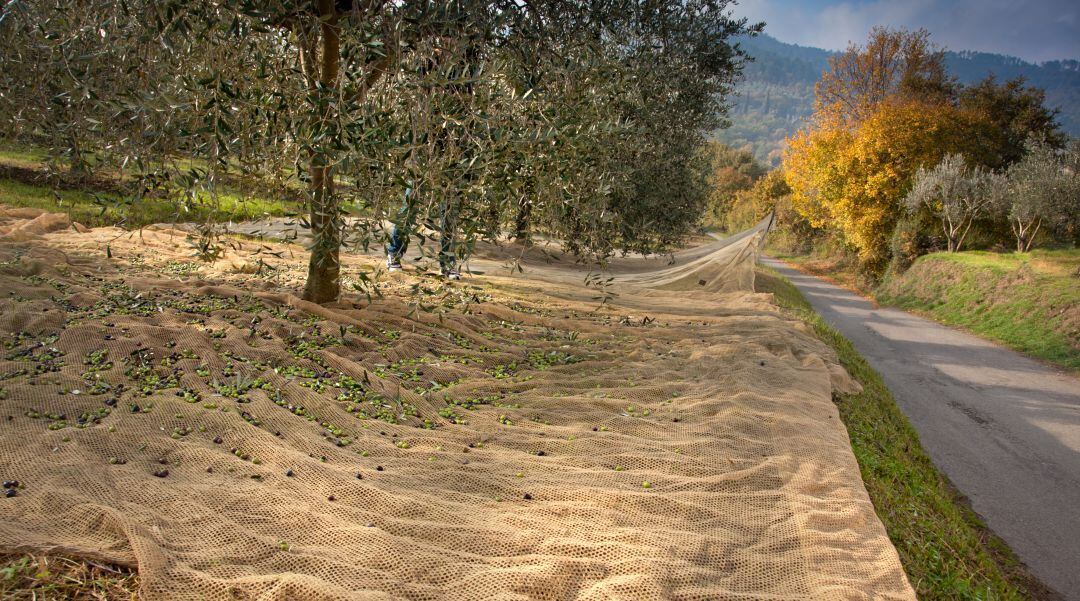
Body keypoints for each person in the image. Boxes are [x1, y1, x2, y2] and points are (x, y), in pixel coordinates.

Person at [386, 185, 461, 279]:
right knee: (409, 210)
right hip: (419, 174)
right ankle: (394, 254)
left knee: (449, 215)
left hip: (448, 176)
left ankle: (448, 262)